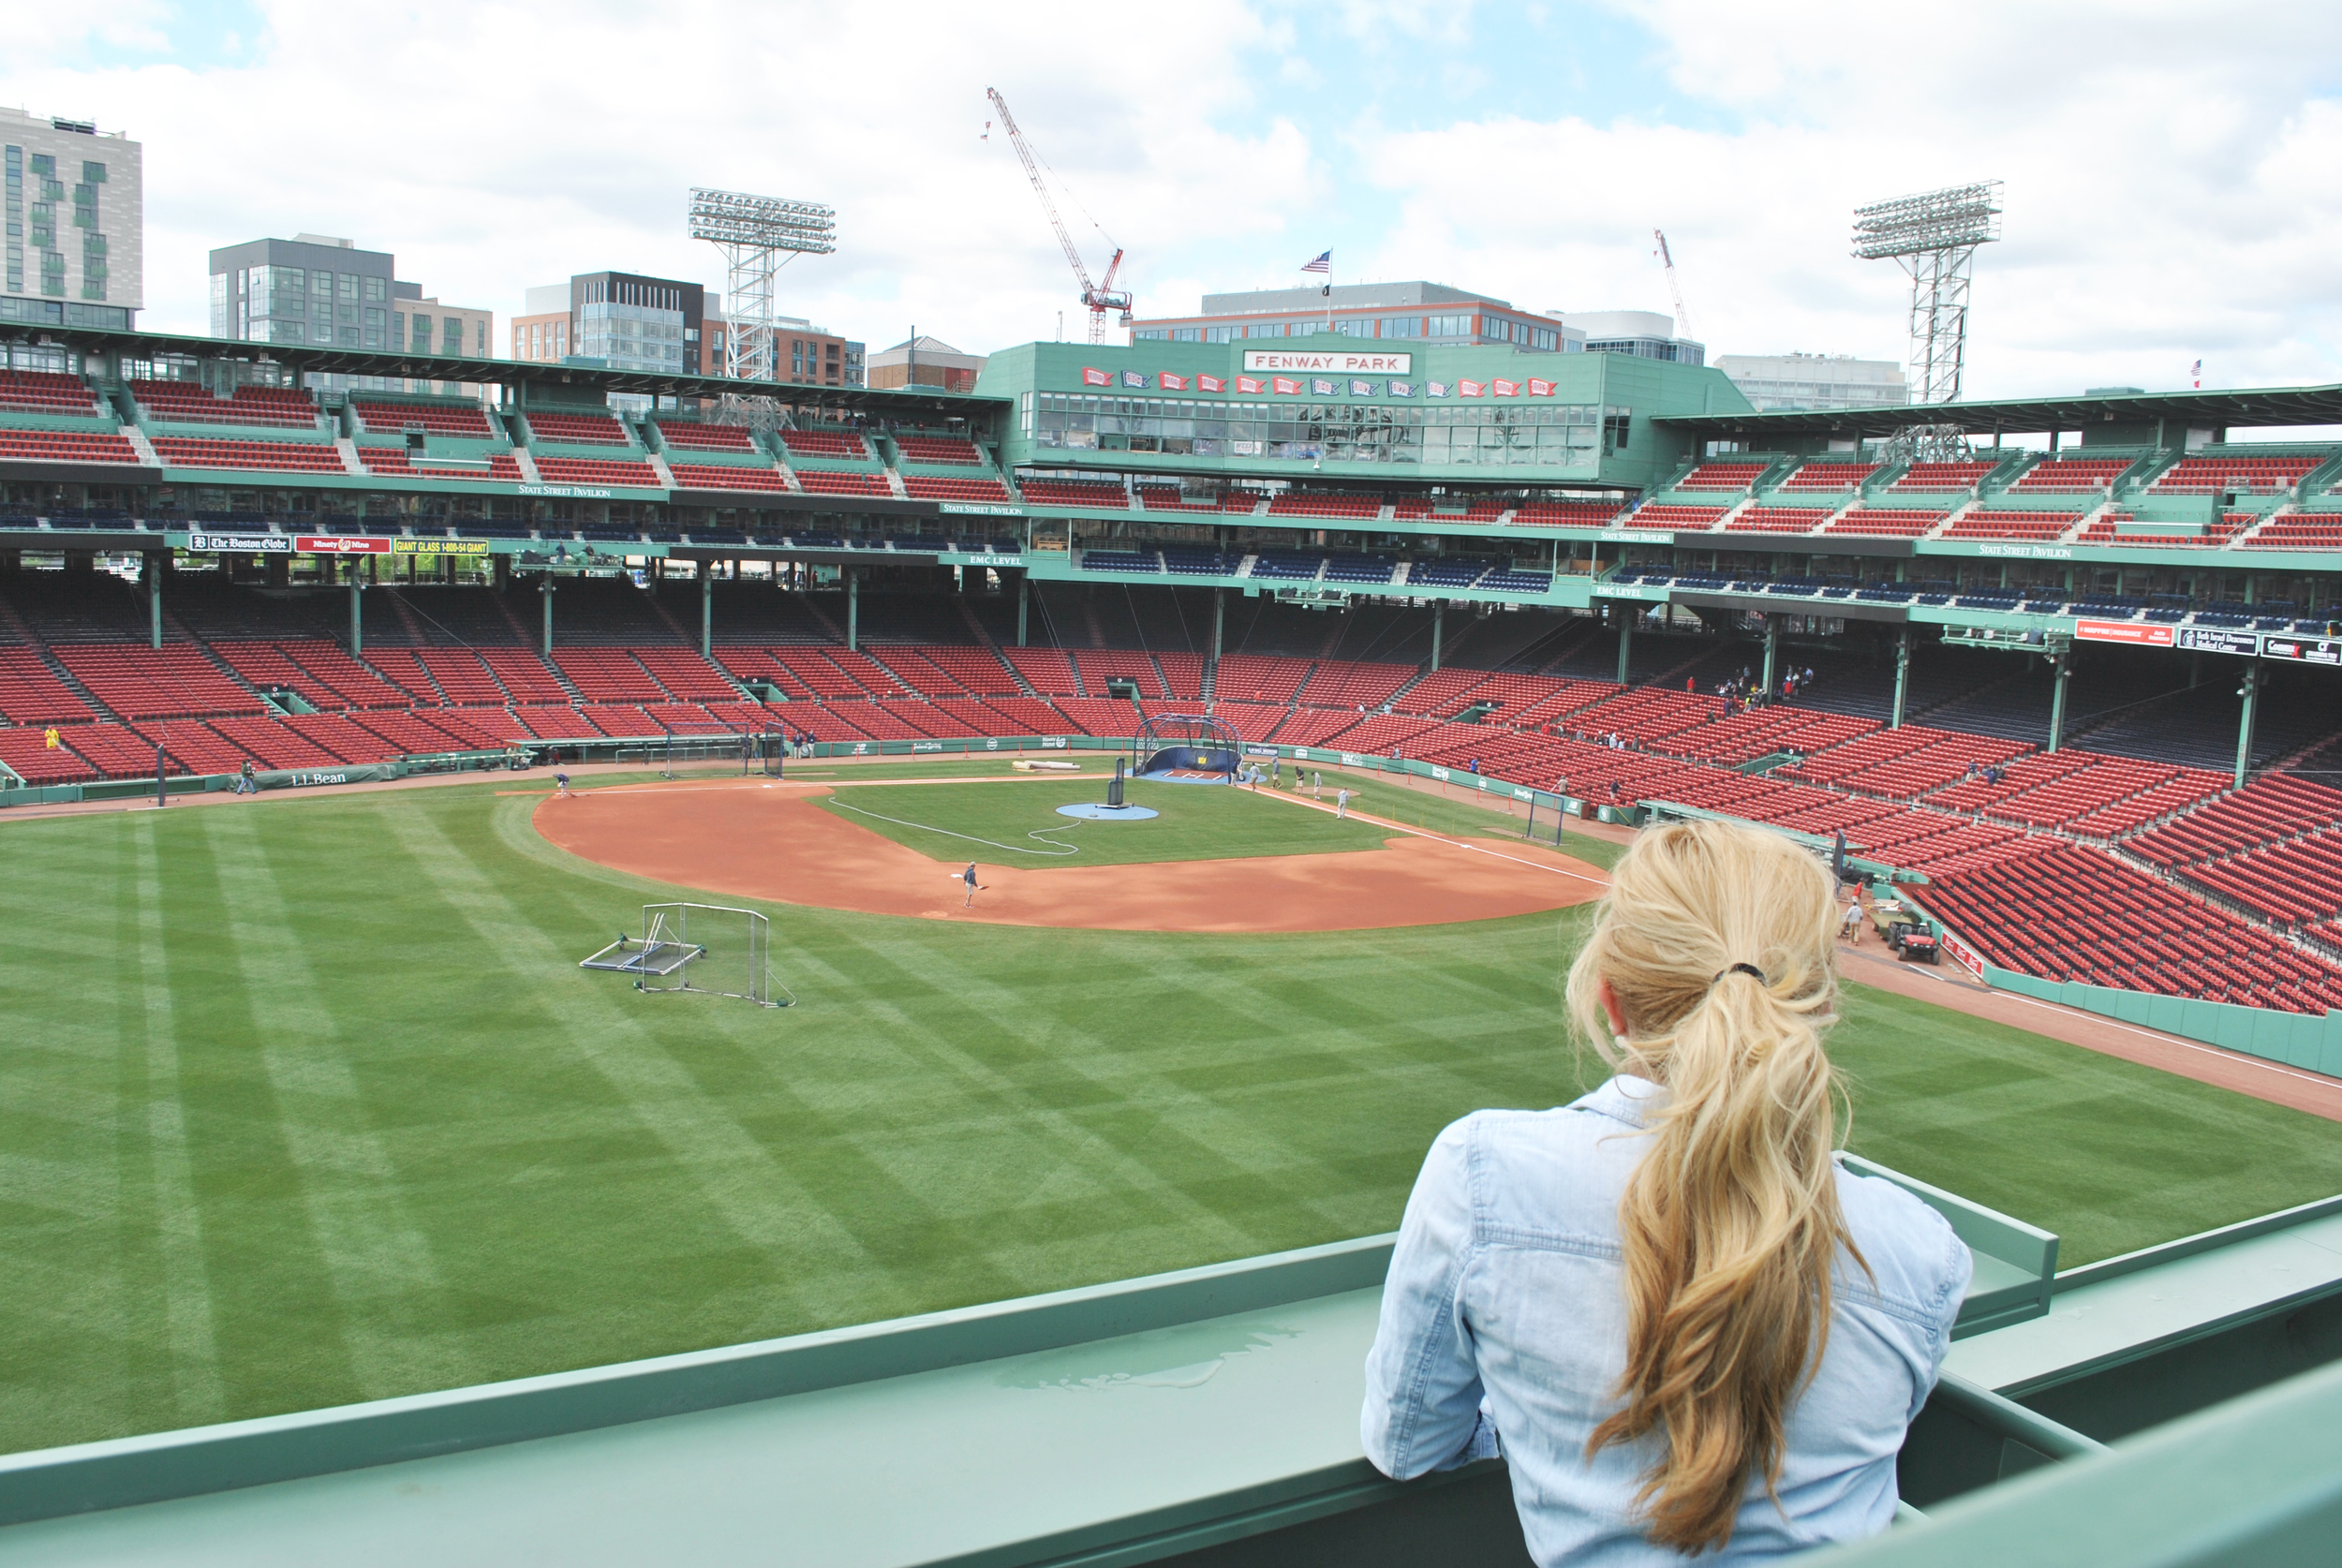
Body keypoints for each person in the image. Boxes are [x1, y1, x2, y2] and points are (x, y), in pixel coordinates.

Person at [1362, 821, 1968, 1562]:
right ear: (1817, 1006)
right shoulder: (1924, 1252)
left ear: (1611, 1003)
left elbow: (1406, 1446)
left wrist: (1533, 1415)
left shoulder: (1482, 1172)